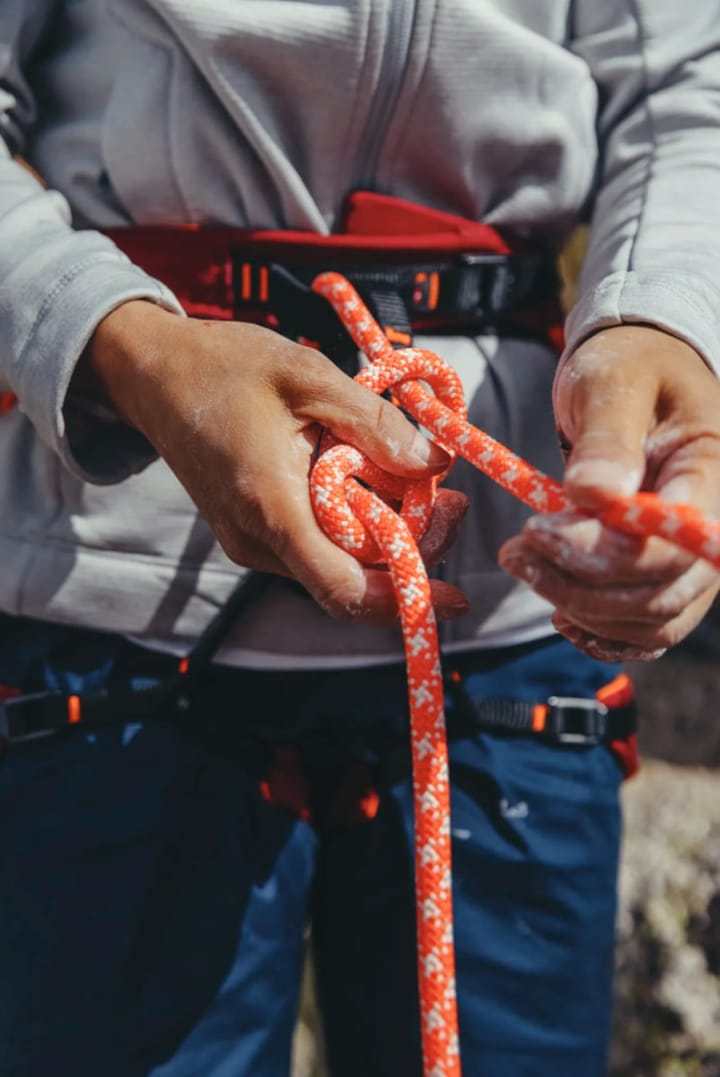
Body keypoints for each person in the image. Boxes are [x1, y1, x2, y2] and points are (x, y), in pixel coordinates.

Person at [1, 2, 720, 1075]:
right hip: (119, 600)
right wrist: (125, 345)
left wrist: (664, 327)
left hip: (507, 637)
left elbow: (684, 93)